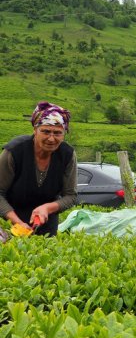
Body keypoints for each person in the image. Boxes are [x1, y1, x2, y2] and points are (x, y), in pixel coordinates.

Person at [0, 101, 78, 236]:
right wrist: (16, 222)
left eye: (57, 133)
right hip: (8, 220)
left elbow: (71, 196)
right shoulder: (14, 152)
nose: (51, 138)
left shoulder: (67, 155)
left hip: (46, 223)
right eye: (46, 131)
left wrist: (47, 208)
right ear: (35, 130)